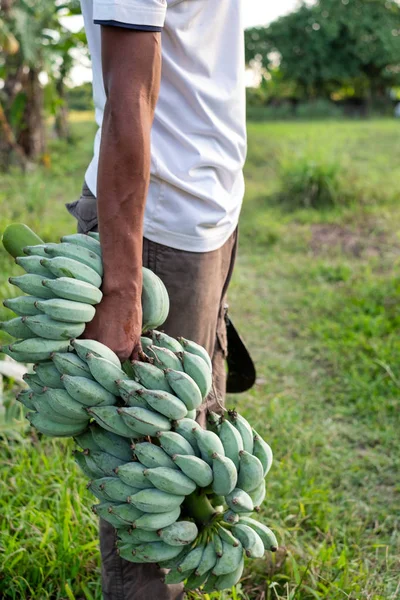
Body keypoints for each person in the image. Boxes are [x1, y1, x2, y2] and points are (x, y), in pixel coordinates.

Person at [67, 1, 247, 598]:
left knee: (193, 439)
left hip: (208, 209)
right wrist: (122, 286)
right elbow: (130, 94)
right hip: (157, 223)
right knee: (151, 470)